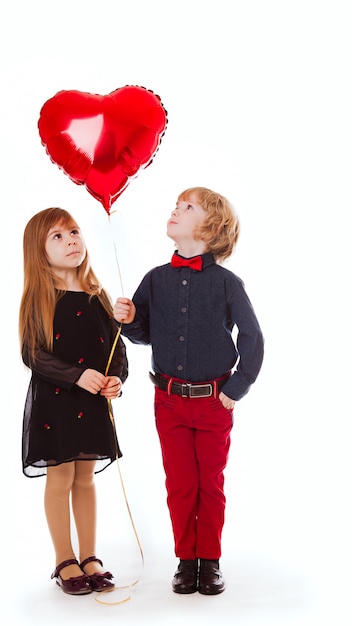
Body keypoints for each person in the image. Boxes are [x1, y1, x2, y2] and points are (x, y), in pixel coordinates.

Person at [113, 187, 264, 595]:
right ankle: (186, 560)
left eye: (187, 207)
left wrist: (237, 387)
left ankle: (210, 561)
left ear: (210, 227)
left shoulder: (228, 283)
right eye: (176, 205)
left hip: (215, 402)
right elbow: (144, 333)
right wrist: (128, 320)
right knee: (180, 483)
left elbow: (252, 336)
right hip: (169, 402)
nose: (175, 210)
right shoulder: (155, 279)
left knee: (209, 484)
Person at [19, 207, 128, 596]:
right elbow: (32, 353)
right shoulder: (41, 296)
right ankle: (64, 558)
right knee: (60, 477)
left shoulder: (98, 295)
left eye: (74, 232)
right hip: (57, 402)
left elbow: (116, 348)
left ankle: (90, 555)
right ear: (39, 249)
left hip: (94, 403)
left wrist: (116, 378)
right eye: (58, 236)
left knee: (85, 478)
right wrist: (76, 375)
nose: (71, 241)